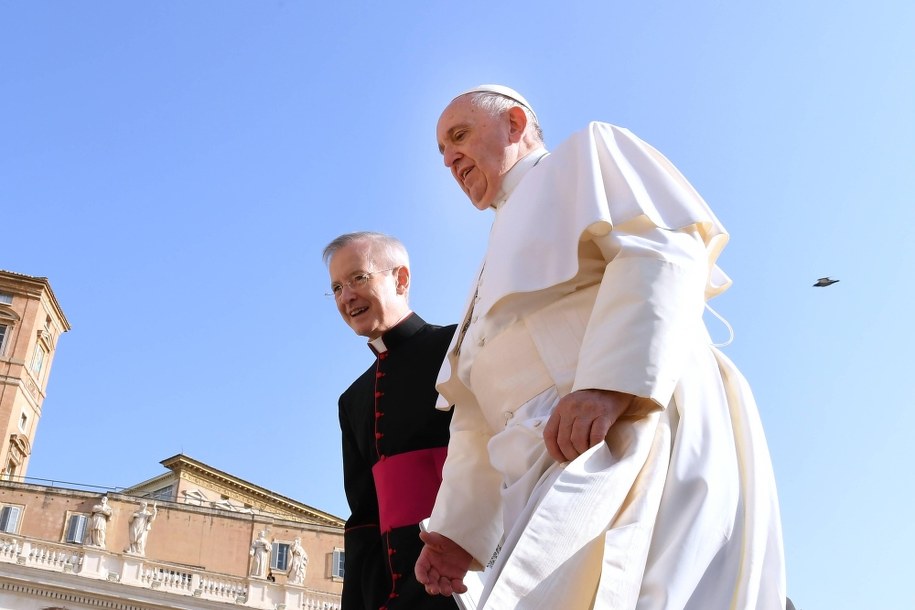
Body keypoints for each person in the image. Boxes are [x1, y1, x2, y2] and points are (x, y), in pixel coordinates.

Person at [415, 85, 786, 609]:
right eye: (442, 150)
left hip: (621, 427)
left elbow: (659, 250)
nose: (449, 158)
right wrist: (458, 533)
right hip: (538, 457)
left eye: (459, 135)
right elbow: (477, 411)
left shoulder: (587, 154)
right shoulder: (485, 262)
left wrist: (607, 385)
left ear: (515, 124)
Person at [323, 231, 458, 610]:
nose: (346, 297)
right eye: (337, 288)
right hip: (394, 592)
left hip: (466, 574)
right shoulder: (353, 400)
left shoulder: (457, 346)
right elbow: (363, 518)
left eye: (358, 278)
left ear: (401, 279)